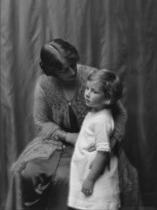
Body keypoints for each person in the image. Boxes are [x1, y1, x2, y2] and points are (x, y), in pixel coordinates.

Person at [5, 39, 139, 210]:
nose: (72, 71)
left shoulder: (92, 77)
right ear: (52, 71)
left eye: (72, 64)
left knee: (69, 178)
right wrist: (68, 136)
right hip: (54, 142)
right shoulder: (44, 84)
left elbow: (121, 113)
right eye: (63, 69)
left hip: (92, 144)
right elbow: (41, 121)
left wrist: (112, 143)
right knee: (26, 172)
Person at [68, 69, 123, 210]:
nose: (87, 93)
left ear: (107, 98)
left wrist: (90, 179)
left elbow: (103, 153)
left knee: (96, 204)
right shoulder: (95, 112)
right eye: (87, 88)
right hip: (87, 169)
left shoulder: (101, 120)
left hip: (95, 177)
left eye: (94, 91)